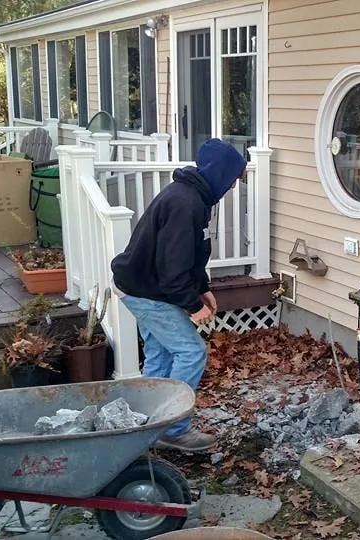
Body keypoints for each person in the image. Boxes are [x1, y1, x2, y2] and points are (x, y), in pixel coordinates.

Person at [111, 138, 247, 452]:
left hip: (146, 286)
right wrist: (192, 304)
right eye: (231, 178)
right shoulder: (185, 203)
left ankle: (147, 425)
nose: (231, 186)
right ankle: (173, 429)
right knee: (191, 352)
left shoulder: (196, 199)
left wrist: (202, 288)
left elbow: (192, 254)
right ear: (218, 172)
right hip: (147, 290)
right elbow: (172, 267)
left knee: (160, 355)